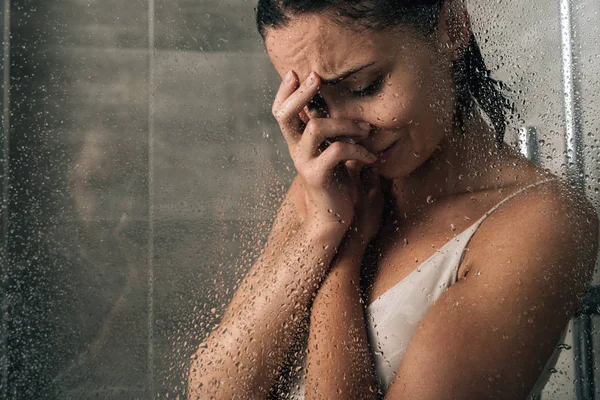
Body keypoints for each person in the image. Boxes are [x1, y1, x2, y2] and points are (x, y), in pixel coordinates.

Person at [188, 0, 600, 398]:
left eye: (365, 87)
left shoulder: (540, 222)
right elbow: (213, 391)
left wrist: (344, 257)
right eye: (315, 103)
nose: (344, 129)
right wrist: (320, 232)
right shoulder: (331, 183)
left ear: (452, 25)